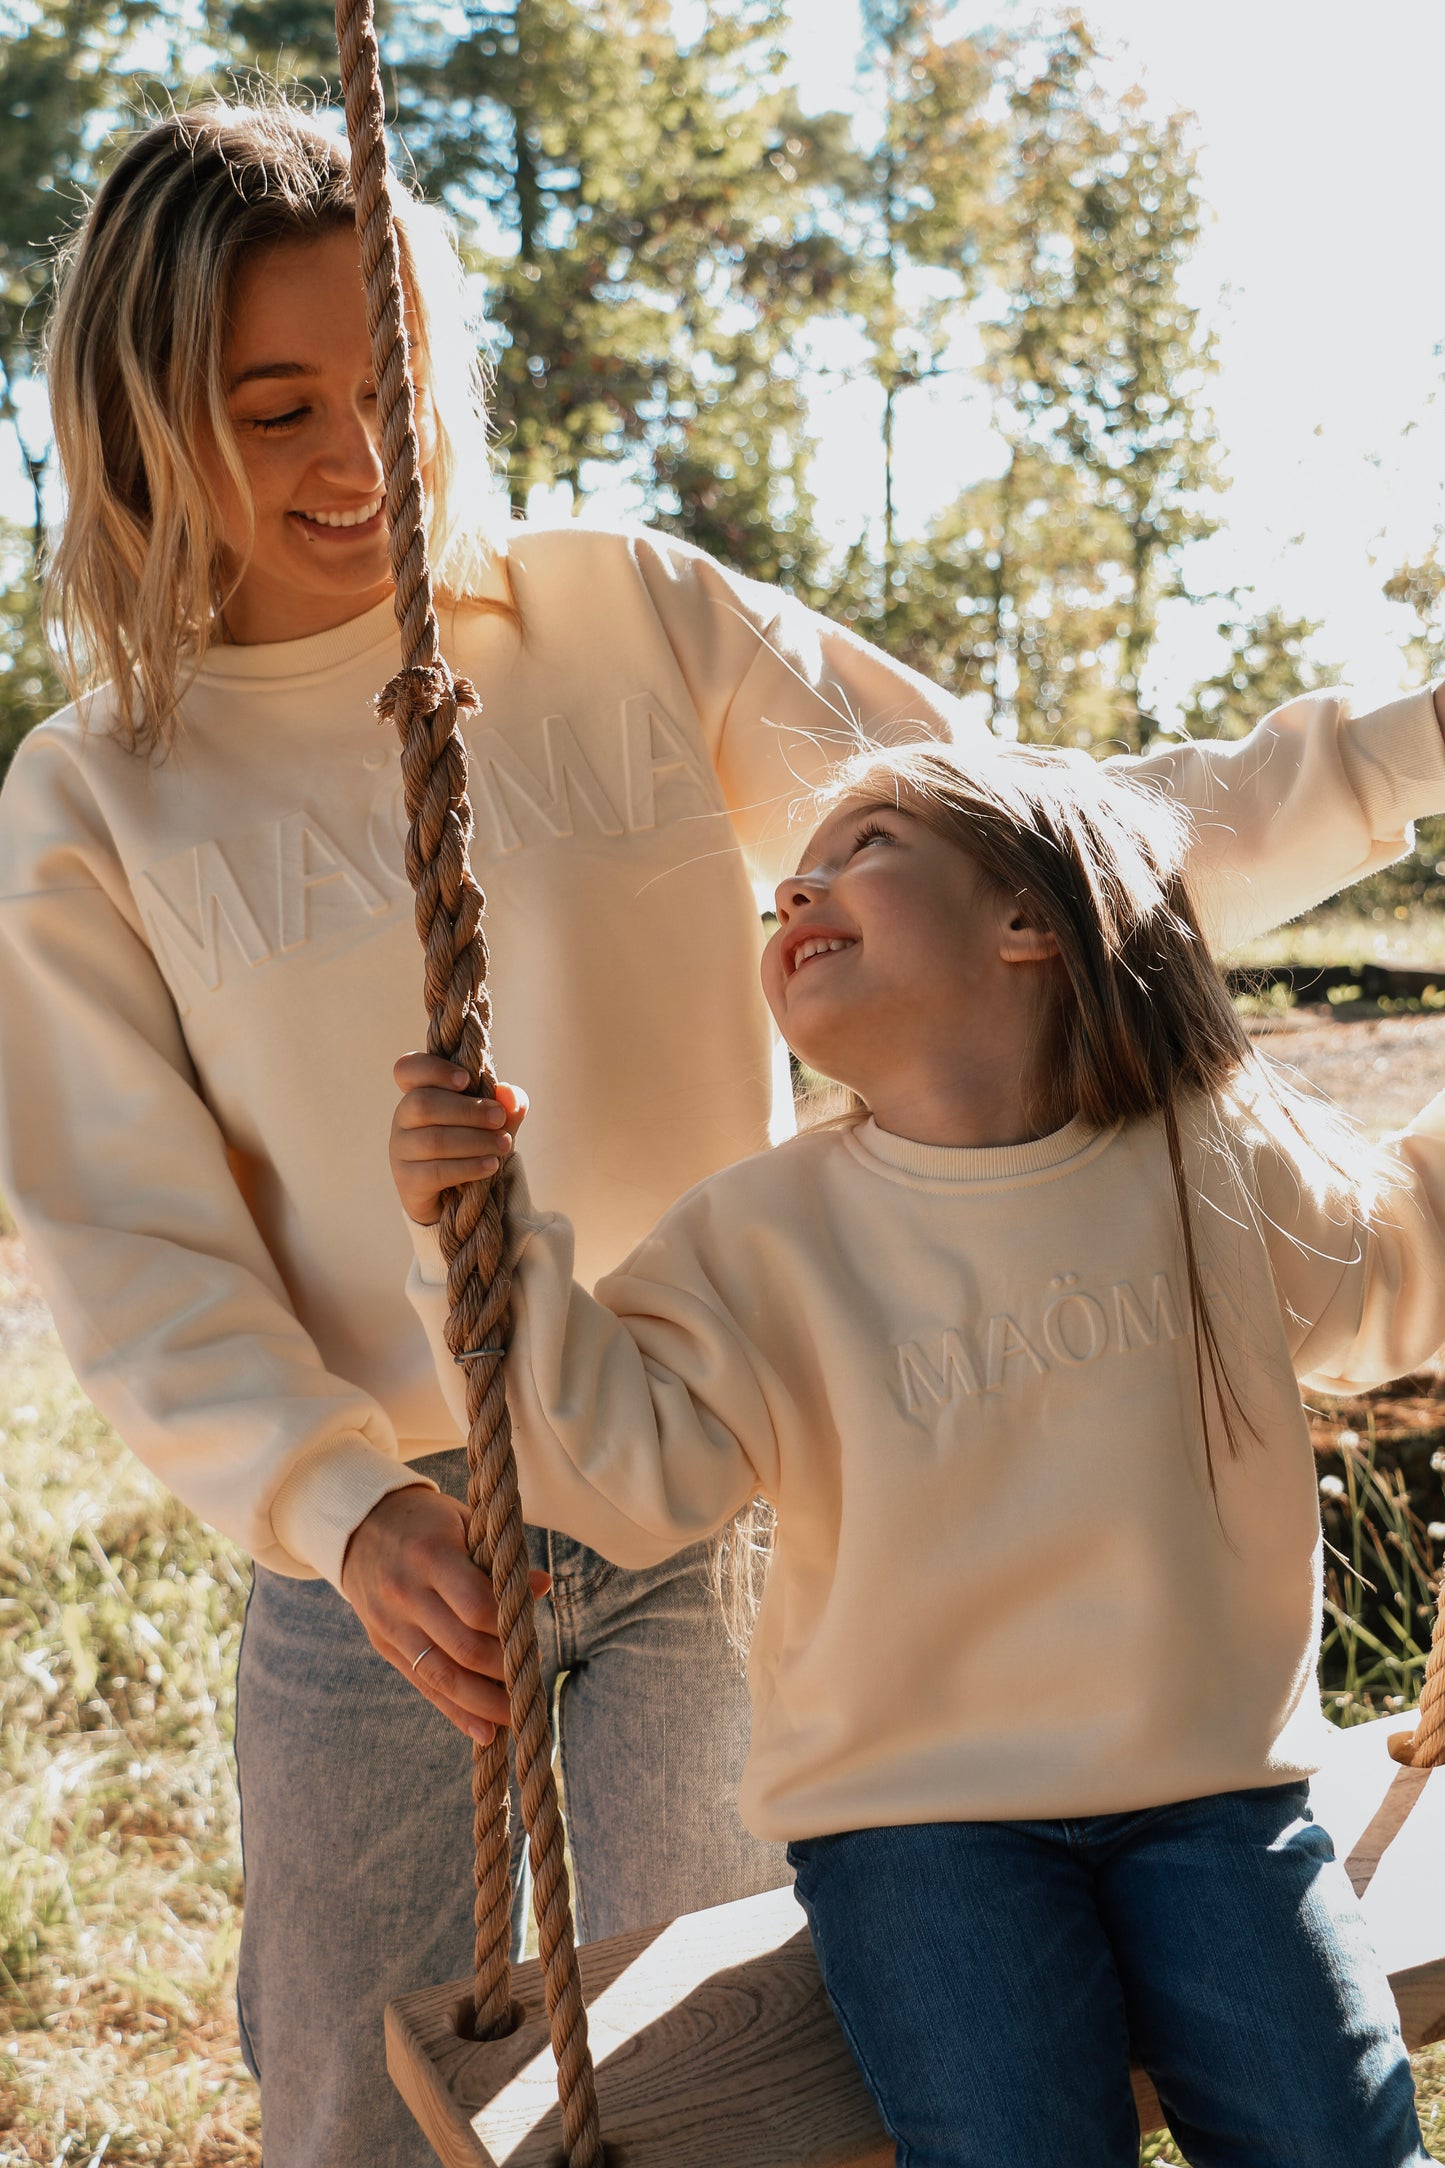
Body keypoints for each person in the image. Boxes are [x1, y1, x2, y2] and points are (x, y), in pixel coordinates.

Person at [1, 92, 1443, 2168]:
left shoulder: (614, 615)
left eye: (390, 383)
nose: (359, 454)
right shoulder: (97, 792)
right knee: (356, 2097)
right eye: (274, 403)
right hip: (385, 1547)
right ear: (145, 419)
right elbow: (127, 1239)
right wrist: (332, 1502)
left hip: (709, 1475)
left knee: (709, 2096)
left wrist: (1414, 750)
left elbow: (1040, 850)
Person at [394, 737, 1445, 2168]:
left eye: (870, 842)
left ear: (1028, 920)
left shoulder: (1211, 1165)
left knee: (1337, 2142)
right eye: (794, 874)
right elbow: (633, 1481)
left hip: (1215, 1798)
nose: (795, 882)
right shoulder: (755, 1235)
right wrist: (483, 1240)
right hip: (922, 1831)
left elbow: (1403, 1264)